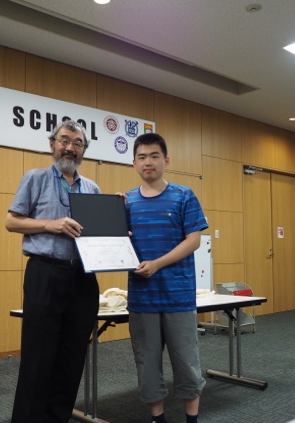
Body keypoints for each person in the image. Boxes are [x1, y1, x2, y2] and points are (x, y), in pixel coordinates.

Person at [6, 120, 100, 423]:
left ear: (84, 150)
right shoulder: (35, 178)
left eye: (77, 143)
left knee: (72, 358)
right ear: (52, 144)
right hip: (46, 274)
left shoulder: (92, 188)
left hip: (83, 279)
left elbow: (99, 234)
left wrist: (116, 222)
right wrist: (51, 224)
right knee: (38, 358)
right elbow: (12, 221)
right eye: (64, 140)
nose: (70, 148)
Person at [125, 133, 208, 423]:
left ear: (166, 160)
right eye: (142, 157)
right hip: (142, 298)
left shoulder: (184, 195)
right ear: (134, 162)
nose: (148, 162)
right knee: (147, 365)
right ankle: (157, 419)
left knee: (187, 363)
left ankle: (191, 420)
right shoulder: (125, 202)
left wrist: (158, 264)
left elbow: (194, 241)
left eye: (154, 156)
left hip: (178, 296)